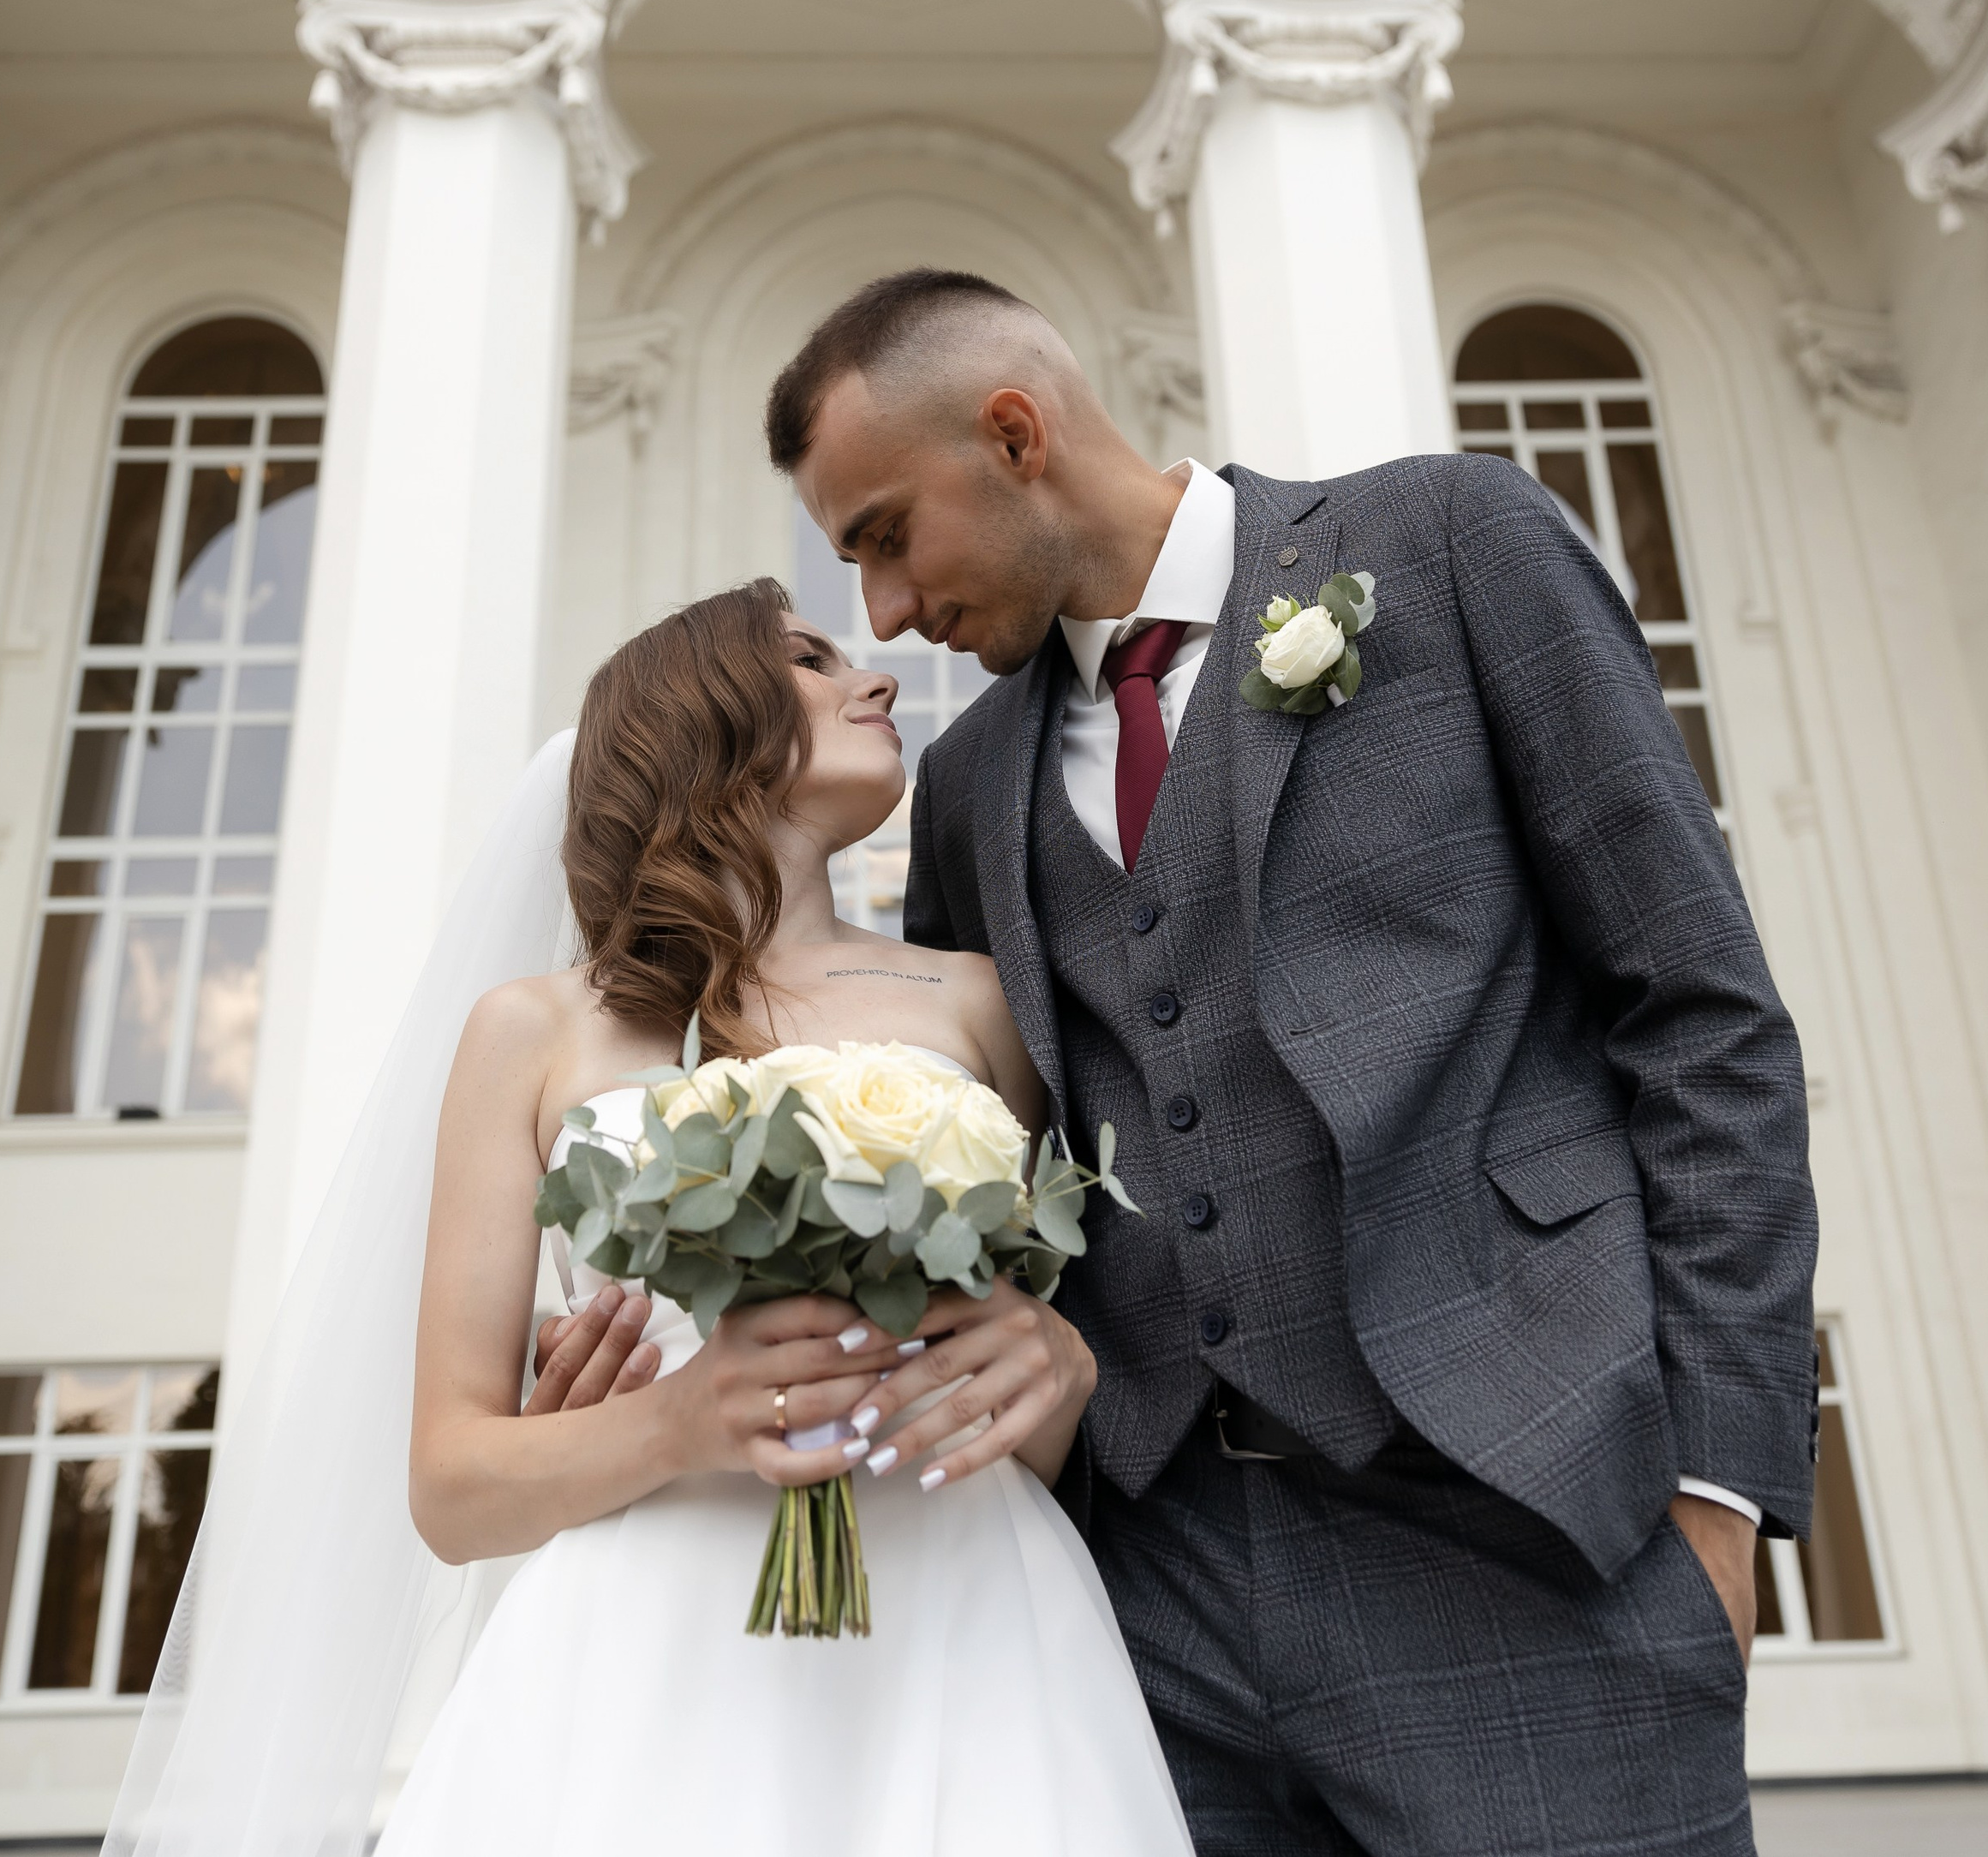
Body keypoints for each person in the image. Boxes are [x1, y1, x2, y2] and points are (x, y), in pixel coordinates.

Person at [731, 266, 1818, 1856]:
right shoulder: (966, 783)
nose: (885, 612)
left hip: (1525, 1533)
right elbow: (962, 1167)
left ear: (1016, 433)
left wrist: (1719, 1487)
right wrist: (691, 1306)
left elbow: (1701, 1011)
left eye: (886, 534)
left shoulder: (1449, 544)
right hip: (1152, 1594)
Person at [375, 579, 1194, 1855]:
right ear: (695, 714)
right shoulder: (532, 1030)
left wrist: (1057, 1371)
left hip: (968, 1611)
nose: (878, 680)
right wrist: (674, 1421)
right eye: (814, 659)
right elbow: (451, 1488)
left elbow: (1015, 1408)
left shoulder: (979, 999)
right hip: (657, 1639)